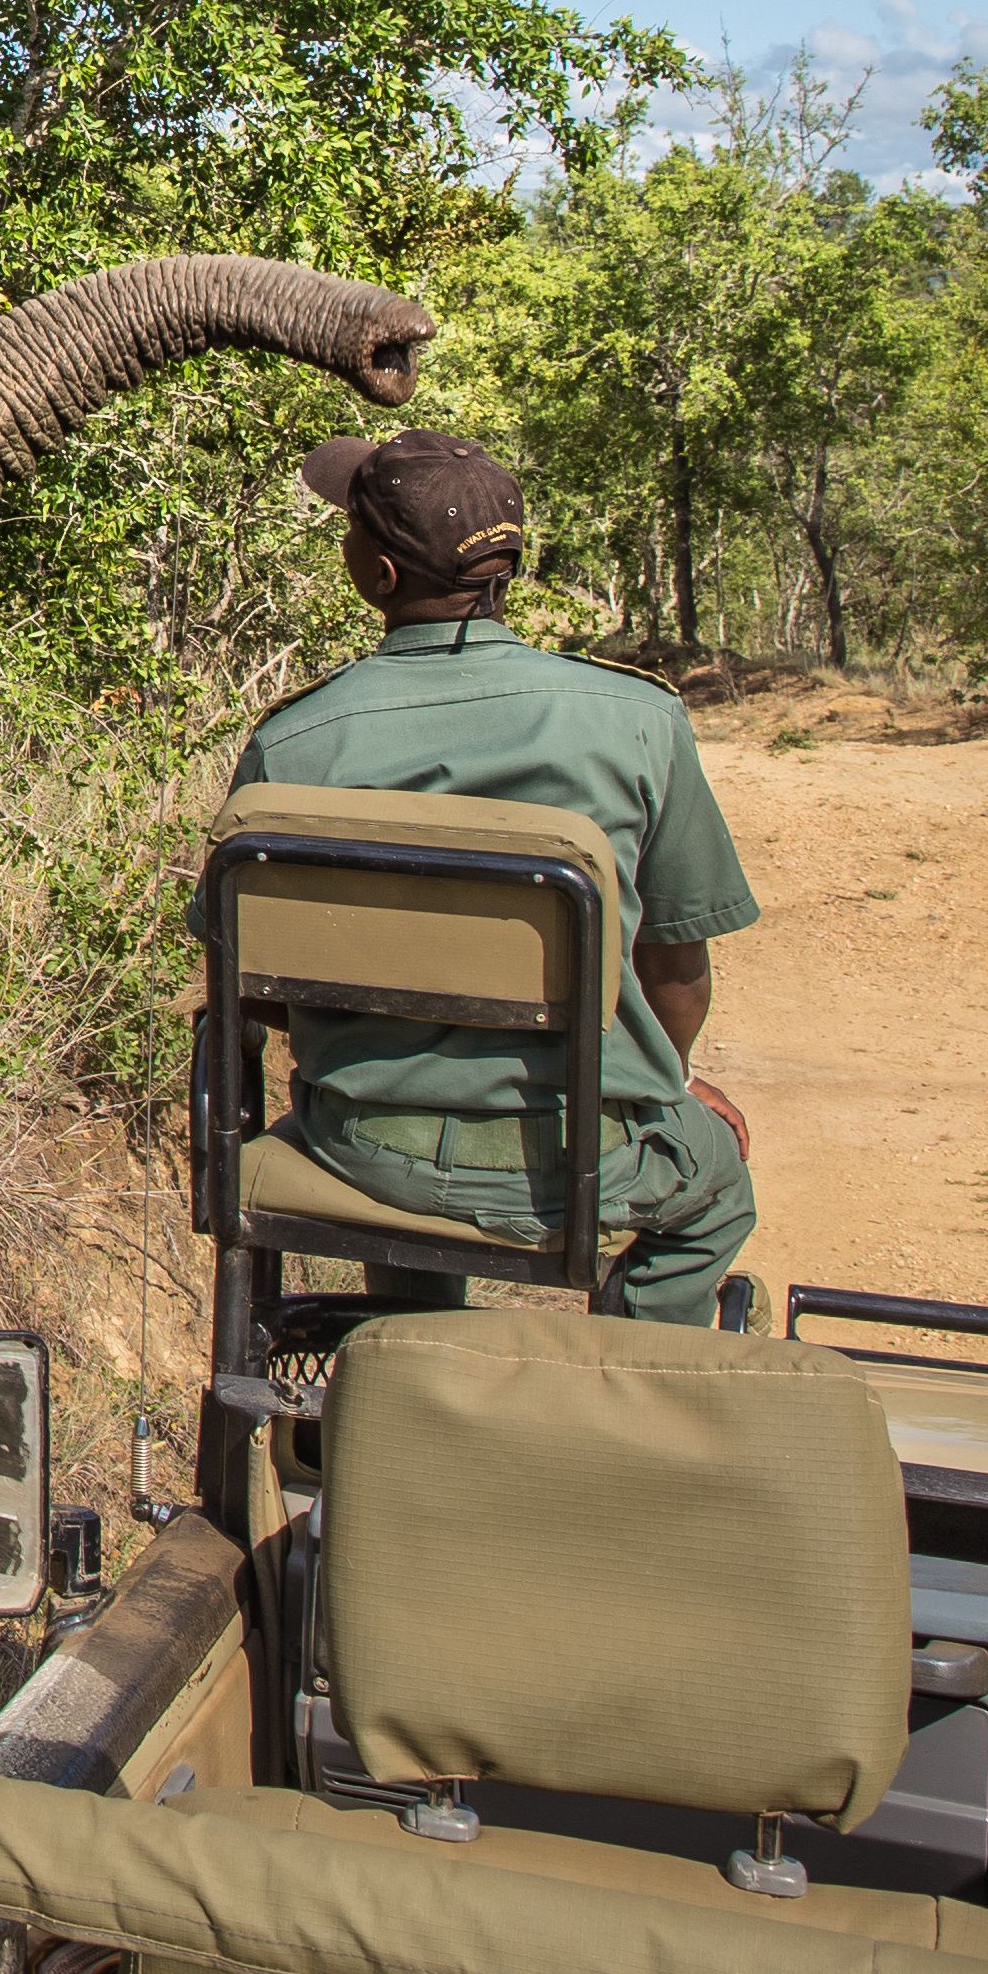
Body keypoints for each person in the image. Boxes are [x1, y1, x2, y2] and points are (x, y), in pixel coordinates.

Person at [228, 429, 761, 1326]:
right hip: (590, 1153)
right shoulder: (639, 719)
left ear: (380, 576)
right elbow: (676, 966)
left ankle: (418, 1354)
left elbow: (260, 985)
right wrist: (661, 1087)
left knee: (400, 1197)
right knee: (719, 1191)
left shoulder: (294, 743)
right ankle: (634, 1374)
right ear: (508, 567)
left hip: (366, 1149)